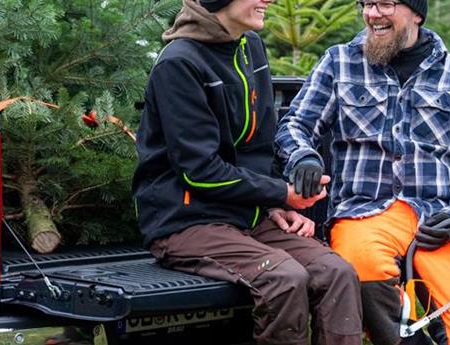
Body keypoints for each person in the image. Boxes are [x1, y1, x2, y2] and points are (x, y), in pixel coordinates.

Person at [131, 0, 363, 344]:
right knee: (283, 277)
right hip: (185, 222)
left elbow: (260, 146)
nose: (266, 0)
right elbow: (198, 171)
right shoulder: (179, 64)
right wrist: (281, 193)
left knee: (336, 271)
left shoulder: (249, 46)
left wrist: (276, 205)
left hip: (247, 218)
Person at [275, 0, 450, 344]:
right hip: (364, 213)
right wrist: (303, 156)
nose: (372, 13)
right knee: (362, 269)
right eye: (366, 4)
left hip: (436, 220)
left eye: (384, 3)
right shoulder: (339, 62)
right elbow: (295, 125)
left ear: (416, 12)